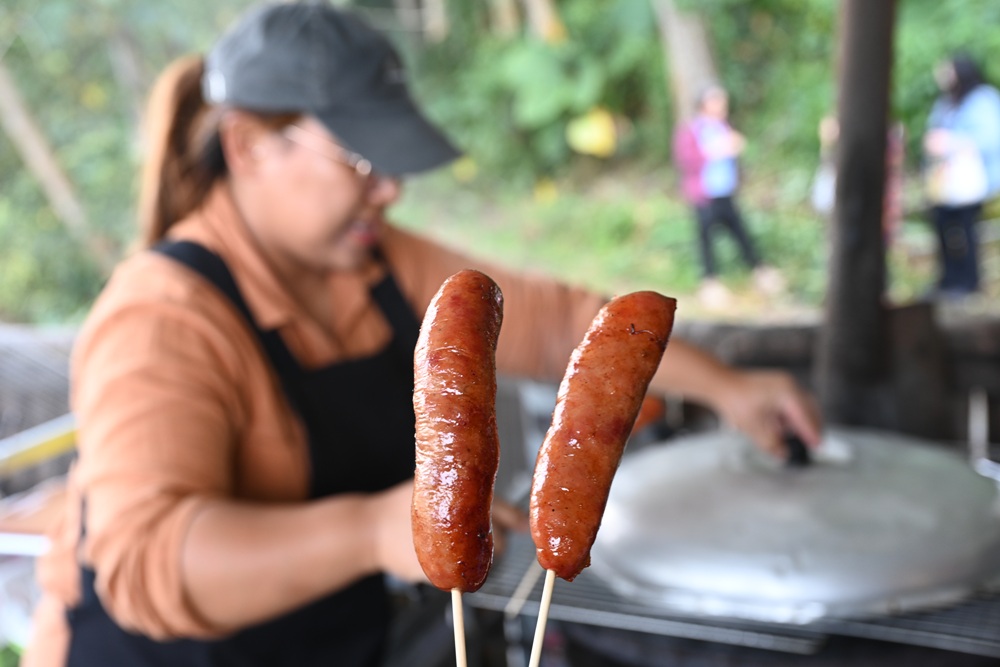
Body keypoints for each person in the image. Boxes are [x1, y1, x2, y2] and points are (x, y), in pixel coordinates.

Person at [22, 4, 821, 666]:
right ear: (247, 148)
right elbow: (147, 566)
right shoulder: (159, 316)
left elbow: (562, 326)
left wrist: (730, 387)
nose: (392, 189)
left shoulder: (373, 259)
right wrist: (379, 528)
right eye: (363, 161)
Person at [672, 84, 784, 309]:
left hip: (726, 192)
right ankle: (710, 283)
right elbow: (686, 159)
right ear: (704, 104)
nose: (723, 105)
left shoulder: (723, 127)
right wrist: (717, 150)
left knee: (741, 232)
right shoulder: (692, 130)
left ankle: (760, 271)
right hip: (705, 195)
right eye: (717, 101)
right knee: (706, 239)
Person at [922, 53, 1000, 299]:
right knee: (942, 226)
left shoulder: (983, 100)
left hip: (973, 182)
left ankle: (968, 282)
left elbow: (989, 139)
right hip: (944, 182)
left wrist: (951, 143)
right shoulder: (947, 102)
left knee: (966, 230)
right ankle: (948, 281)